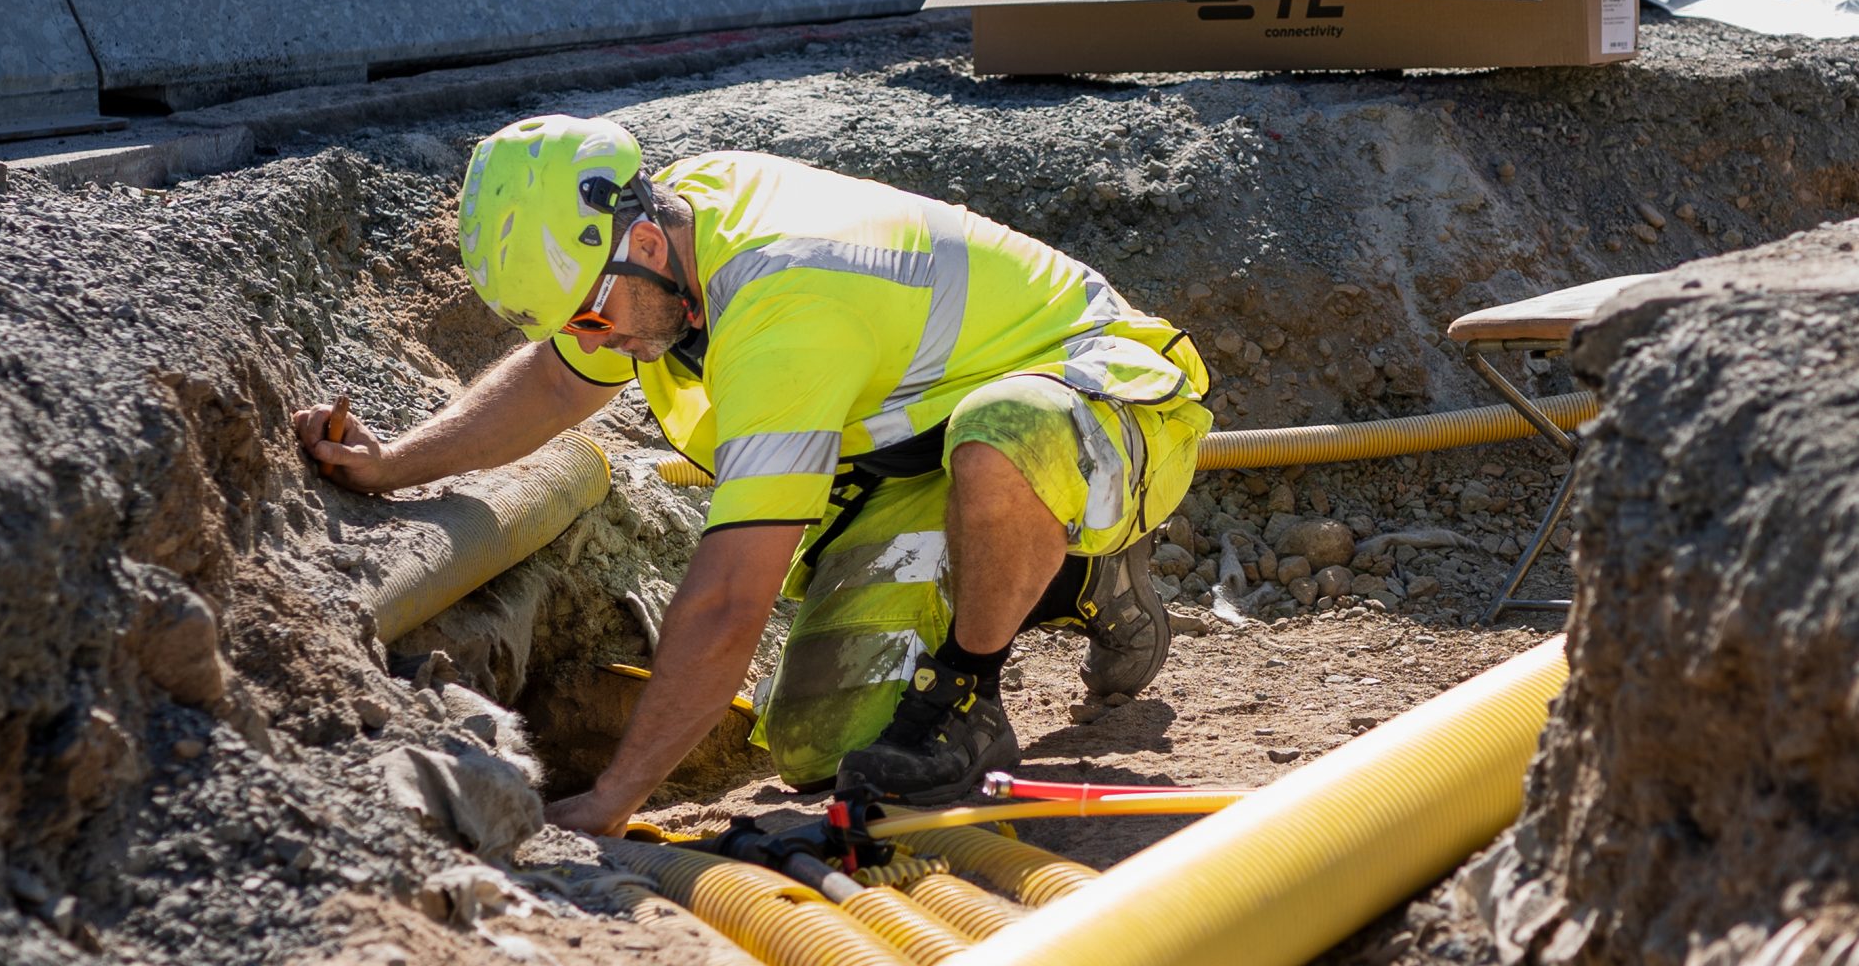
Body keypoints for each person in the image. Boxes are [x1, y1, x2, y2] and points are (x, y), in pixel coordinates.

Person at [295, 116, 1212, 837]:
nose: (594, 341)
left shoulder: (785, 301)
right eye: (571, 324)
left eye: (591, 315)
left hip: (1097, 400)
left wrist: (615, 795)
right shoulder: (662, 234)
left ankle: (979, 679)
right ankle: (1052, 570)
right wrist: (397, 462)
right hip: (927, 446)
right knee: (823, 745)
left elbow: (733, 598)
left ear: (644, 246)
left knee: (1003, 433)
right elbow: (551, 381)